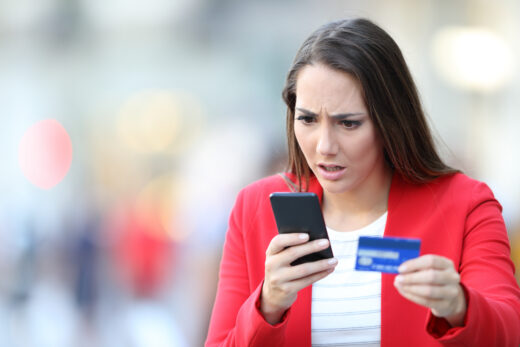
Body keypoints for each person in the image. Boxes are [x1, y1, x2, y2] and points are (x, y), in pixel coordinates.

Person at [205, 18, 520, 346]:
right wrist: (267, 305)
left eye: (349, 124)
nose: (324, 146)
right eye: (308, 119)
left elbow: (509, 333)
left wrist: (459, 306)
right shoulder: (255, 207)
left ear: (391, 121)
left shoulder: (465, 205)